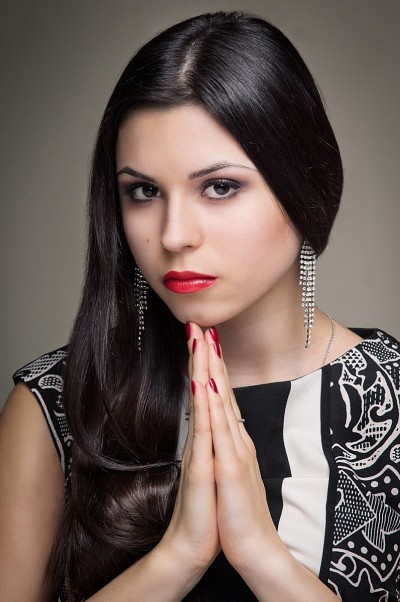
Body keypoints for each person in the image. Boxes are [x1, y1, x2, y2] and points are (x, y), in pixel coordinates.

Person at [0, 10, 399, 602]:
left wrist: (261, 557)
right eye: (143, 191)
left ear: (306, 189)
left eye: (219, 187)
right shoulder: (54, 408)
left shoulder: (391, 403)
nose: (173, 235)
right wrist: (179, 556)